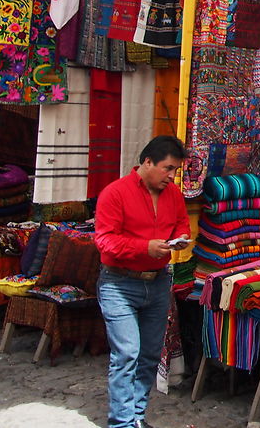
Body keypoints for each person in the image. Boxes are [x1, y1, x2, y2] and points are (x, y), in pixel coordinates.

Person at [95, 136, 191, 428]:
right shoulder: (114, 193)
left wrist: (178, 241)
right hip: (118, 284)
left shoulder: (173, 193)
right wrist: (144, 247)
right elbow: (104, 240)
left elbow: (182, 224)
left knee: (149, 354)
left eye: (175, 170)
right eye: (168, 168)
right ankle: (122, 423)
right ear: (147, 162)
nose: (172, 176)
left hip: (158, 282)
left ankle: (136, 416)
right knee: (127, 354)